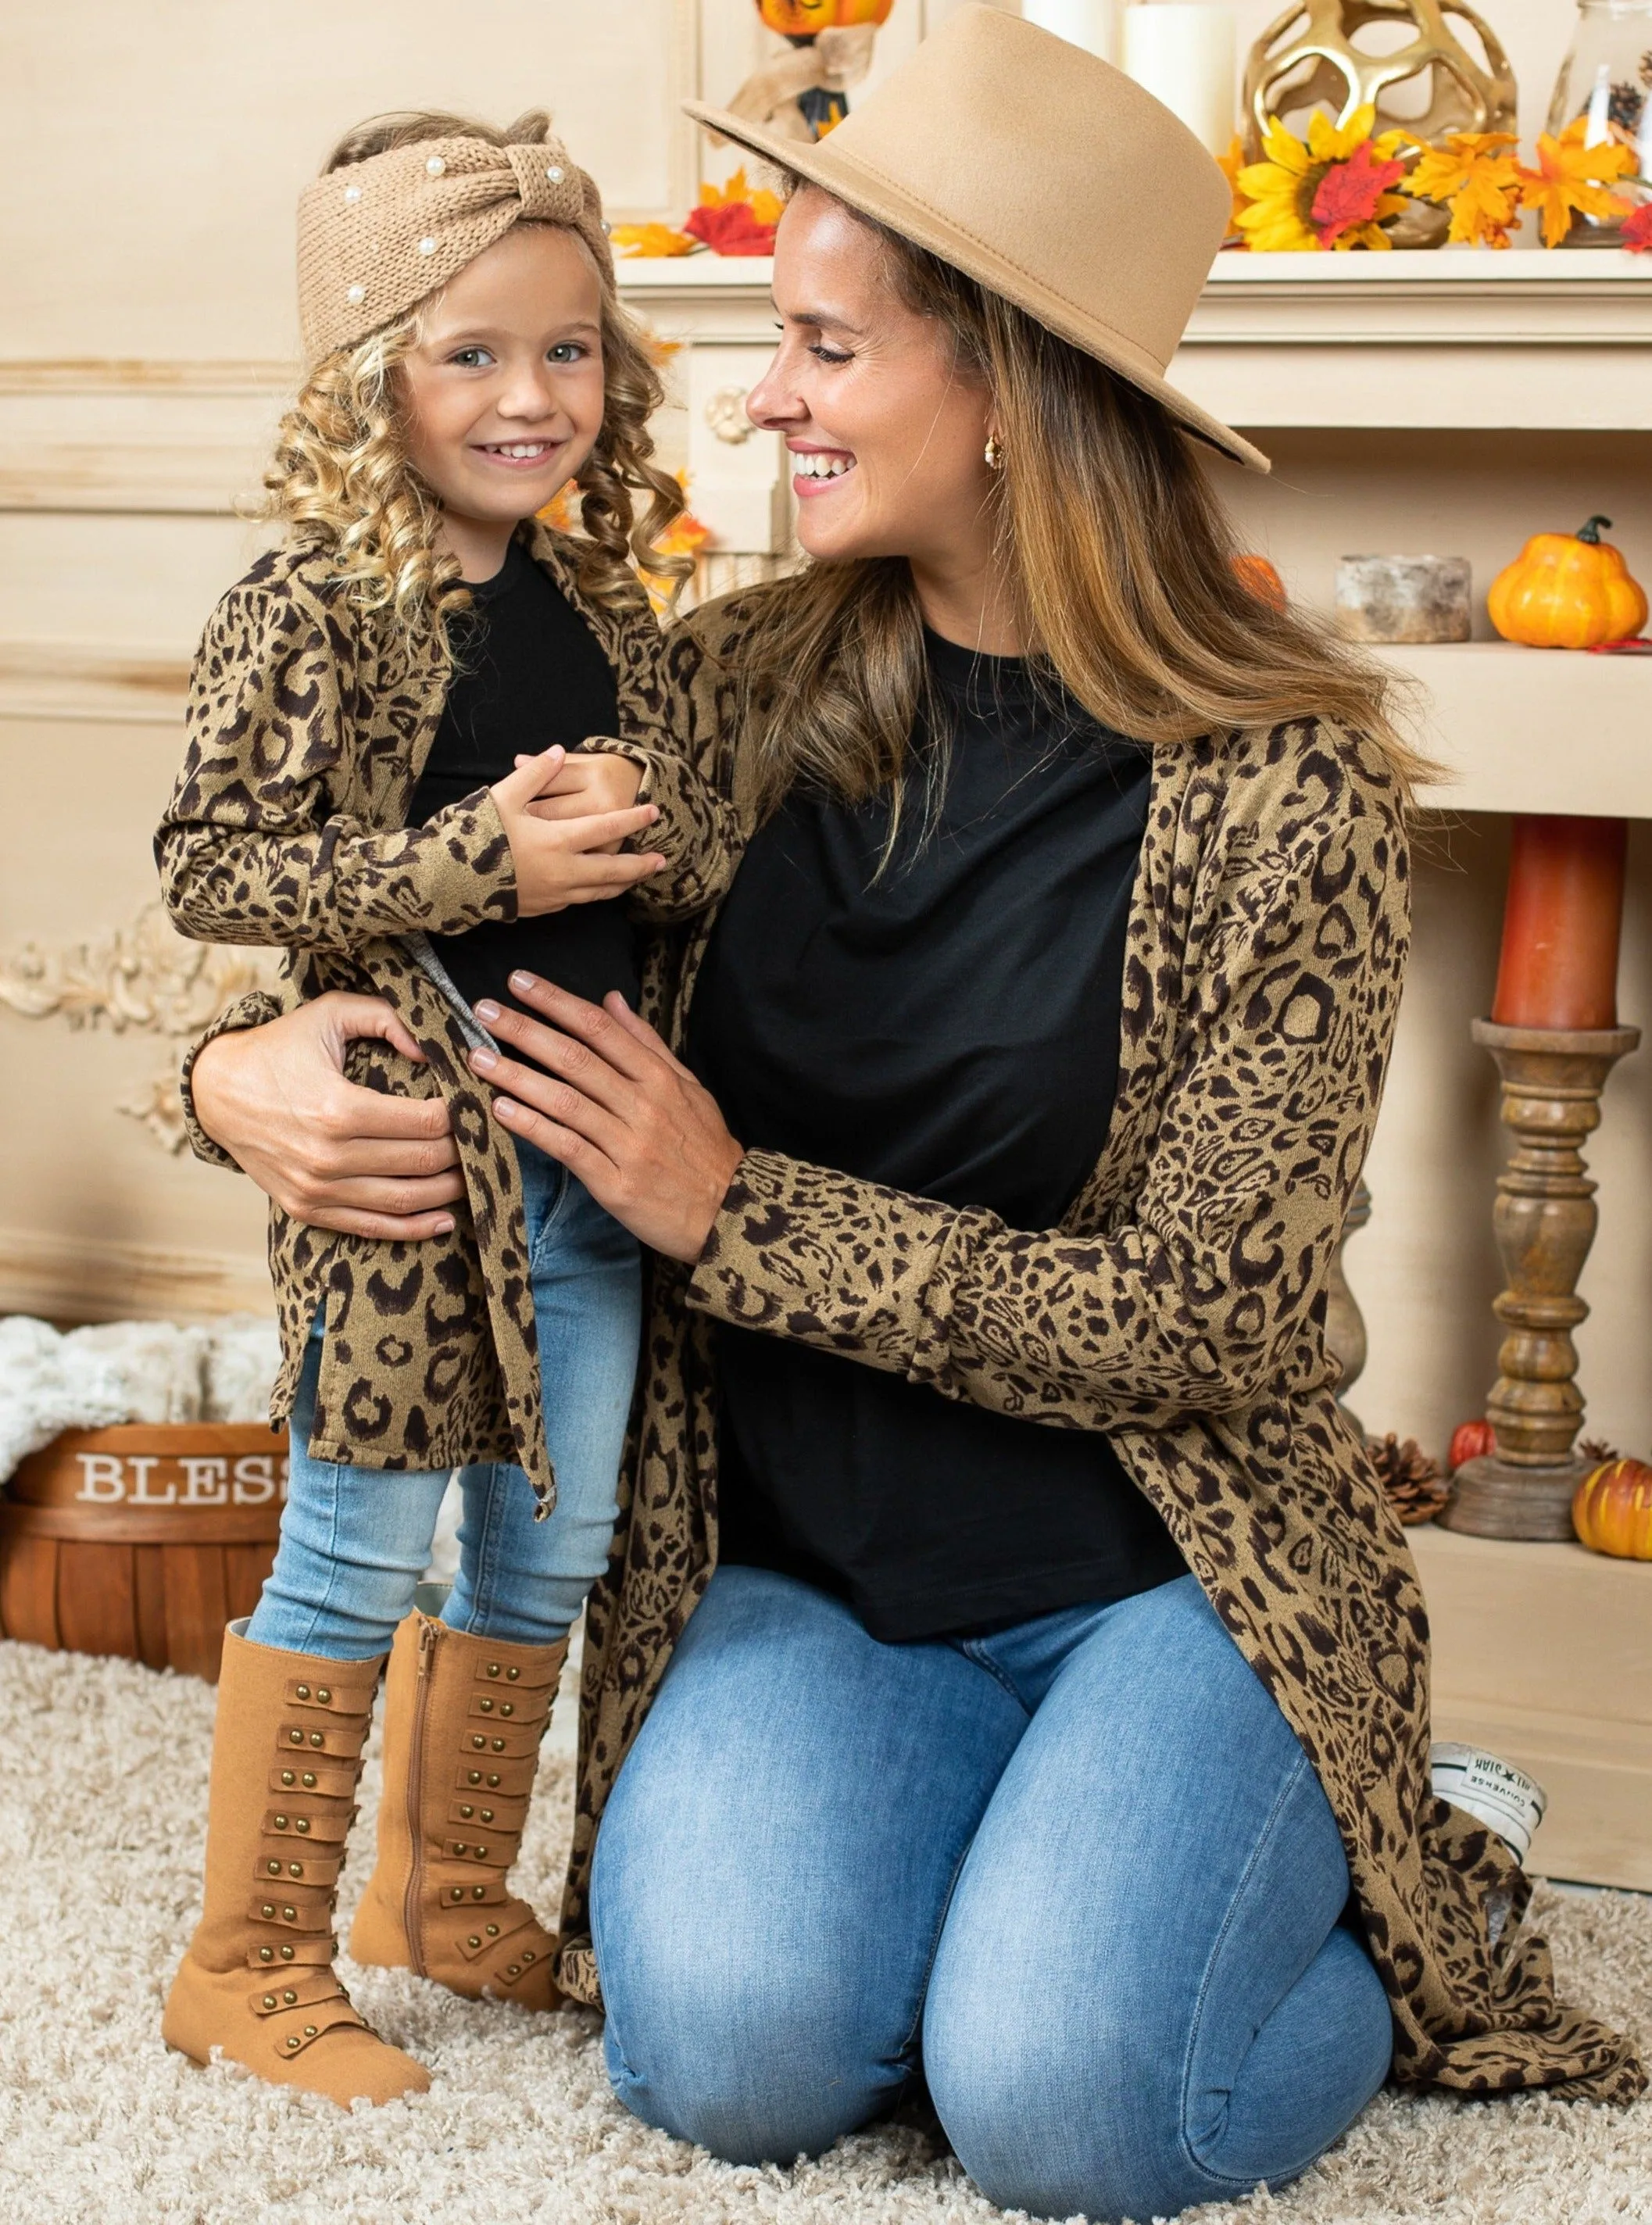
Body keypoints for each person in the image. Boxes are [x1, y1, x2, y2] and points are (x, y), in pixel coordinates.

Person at [177, 12, 1643, 2216]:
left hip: (1154, 1573)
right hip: (805, 1570)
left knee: (1068, 2106)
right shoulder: (727, 688)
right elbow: (401, 902)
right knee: (727, 2059)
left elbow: (1213, 1318)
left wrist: (731, 1207)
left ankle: (1397, 1849)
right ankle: (1038, 1859)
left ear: (1013, 384)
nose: (760, 395)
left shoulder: (1288, 796)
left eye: (823, 345)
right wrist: (226, 1074)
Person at [155, 108, 732, 2107]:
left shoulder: (603, 598)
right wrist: (480, 861)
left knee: (544, 1551)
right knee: (352, 1548)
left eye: (567, 349)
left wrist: (653, 837)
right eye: (469, 350)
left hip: (589, 1164)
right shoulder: (309, 605)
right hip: (408, 1170)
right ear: (369, 371)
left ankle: (447, 1887)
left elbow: (683, 850)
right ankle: (245, 1956)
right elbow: (218, 864)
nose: (529, 396)